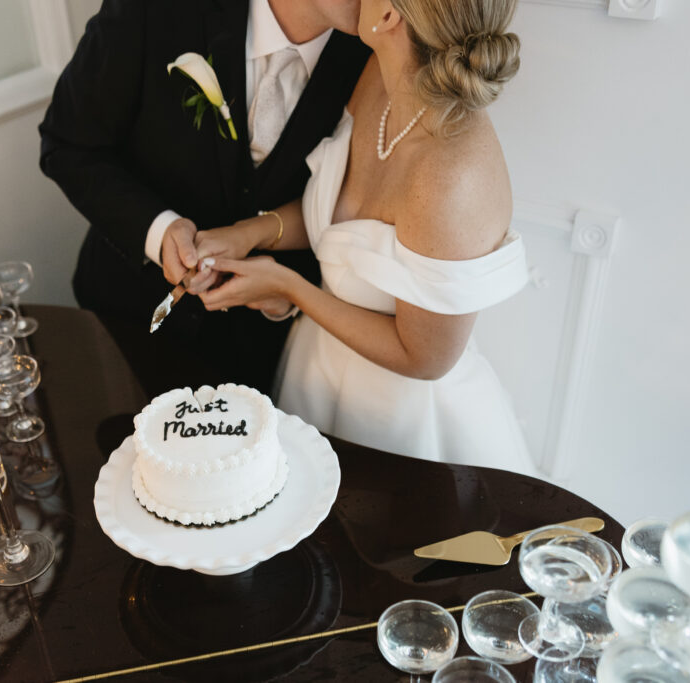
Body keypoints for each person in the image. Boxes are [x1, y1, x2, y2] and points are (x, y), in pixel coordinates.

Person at [194, 0, 535, 473]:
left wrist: (289, 287)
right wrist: (250, 232)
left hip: (403, 426)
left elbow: (425, 357)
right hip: (314, 375)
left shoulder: (454, 178)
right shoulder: (377, 75)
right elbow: (338, 219)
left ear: (389, 18)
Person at [39, 0, 369, 395]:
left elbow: (357, 210)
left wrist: (287, 296)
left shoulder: (381, 52)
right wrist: (159, 231)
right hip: (125, 322)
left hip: (263, 356)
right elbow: (69, 144)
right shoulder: (158, 9)